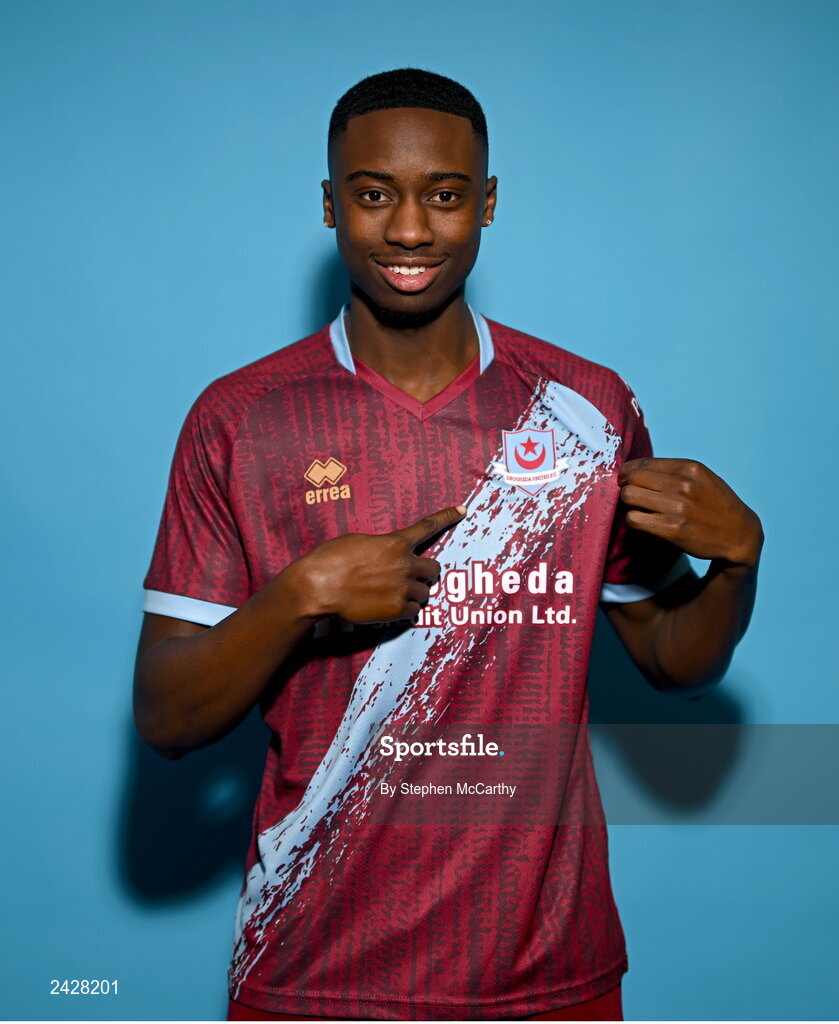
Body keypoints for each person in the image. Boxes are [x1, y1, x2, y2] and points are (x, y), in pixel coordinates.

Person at [134, 68, 763, 1022]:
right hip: (313, 969)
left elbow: (675, 663)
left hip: (548, 970)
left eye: (443, 195)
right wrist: (299, 596)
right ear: (329, 204)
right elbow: (166, 717)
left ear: (487, 203)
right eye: (372, 194)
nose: (409, 230)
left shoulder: (583, 409)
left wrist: (736, 564)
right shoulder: (240, 418)